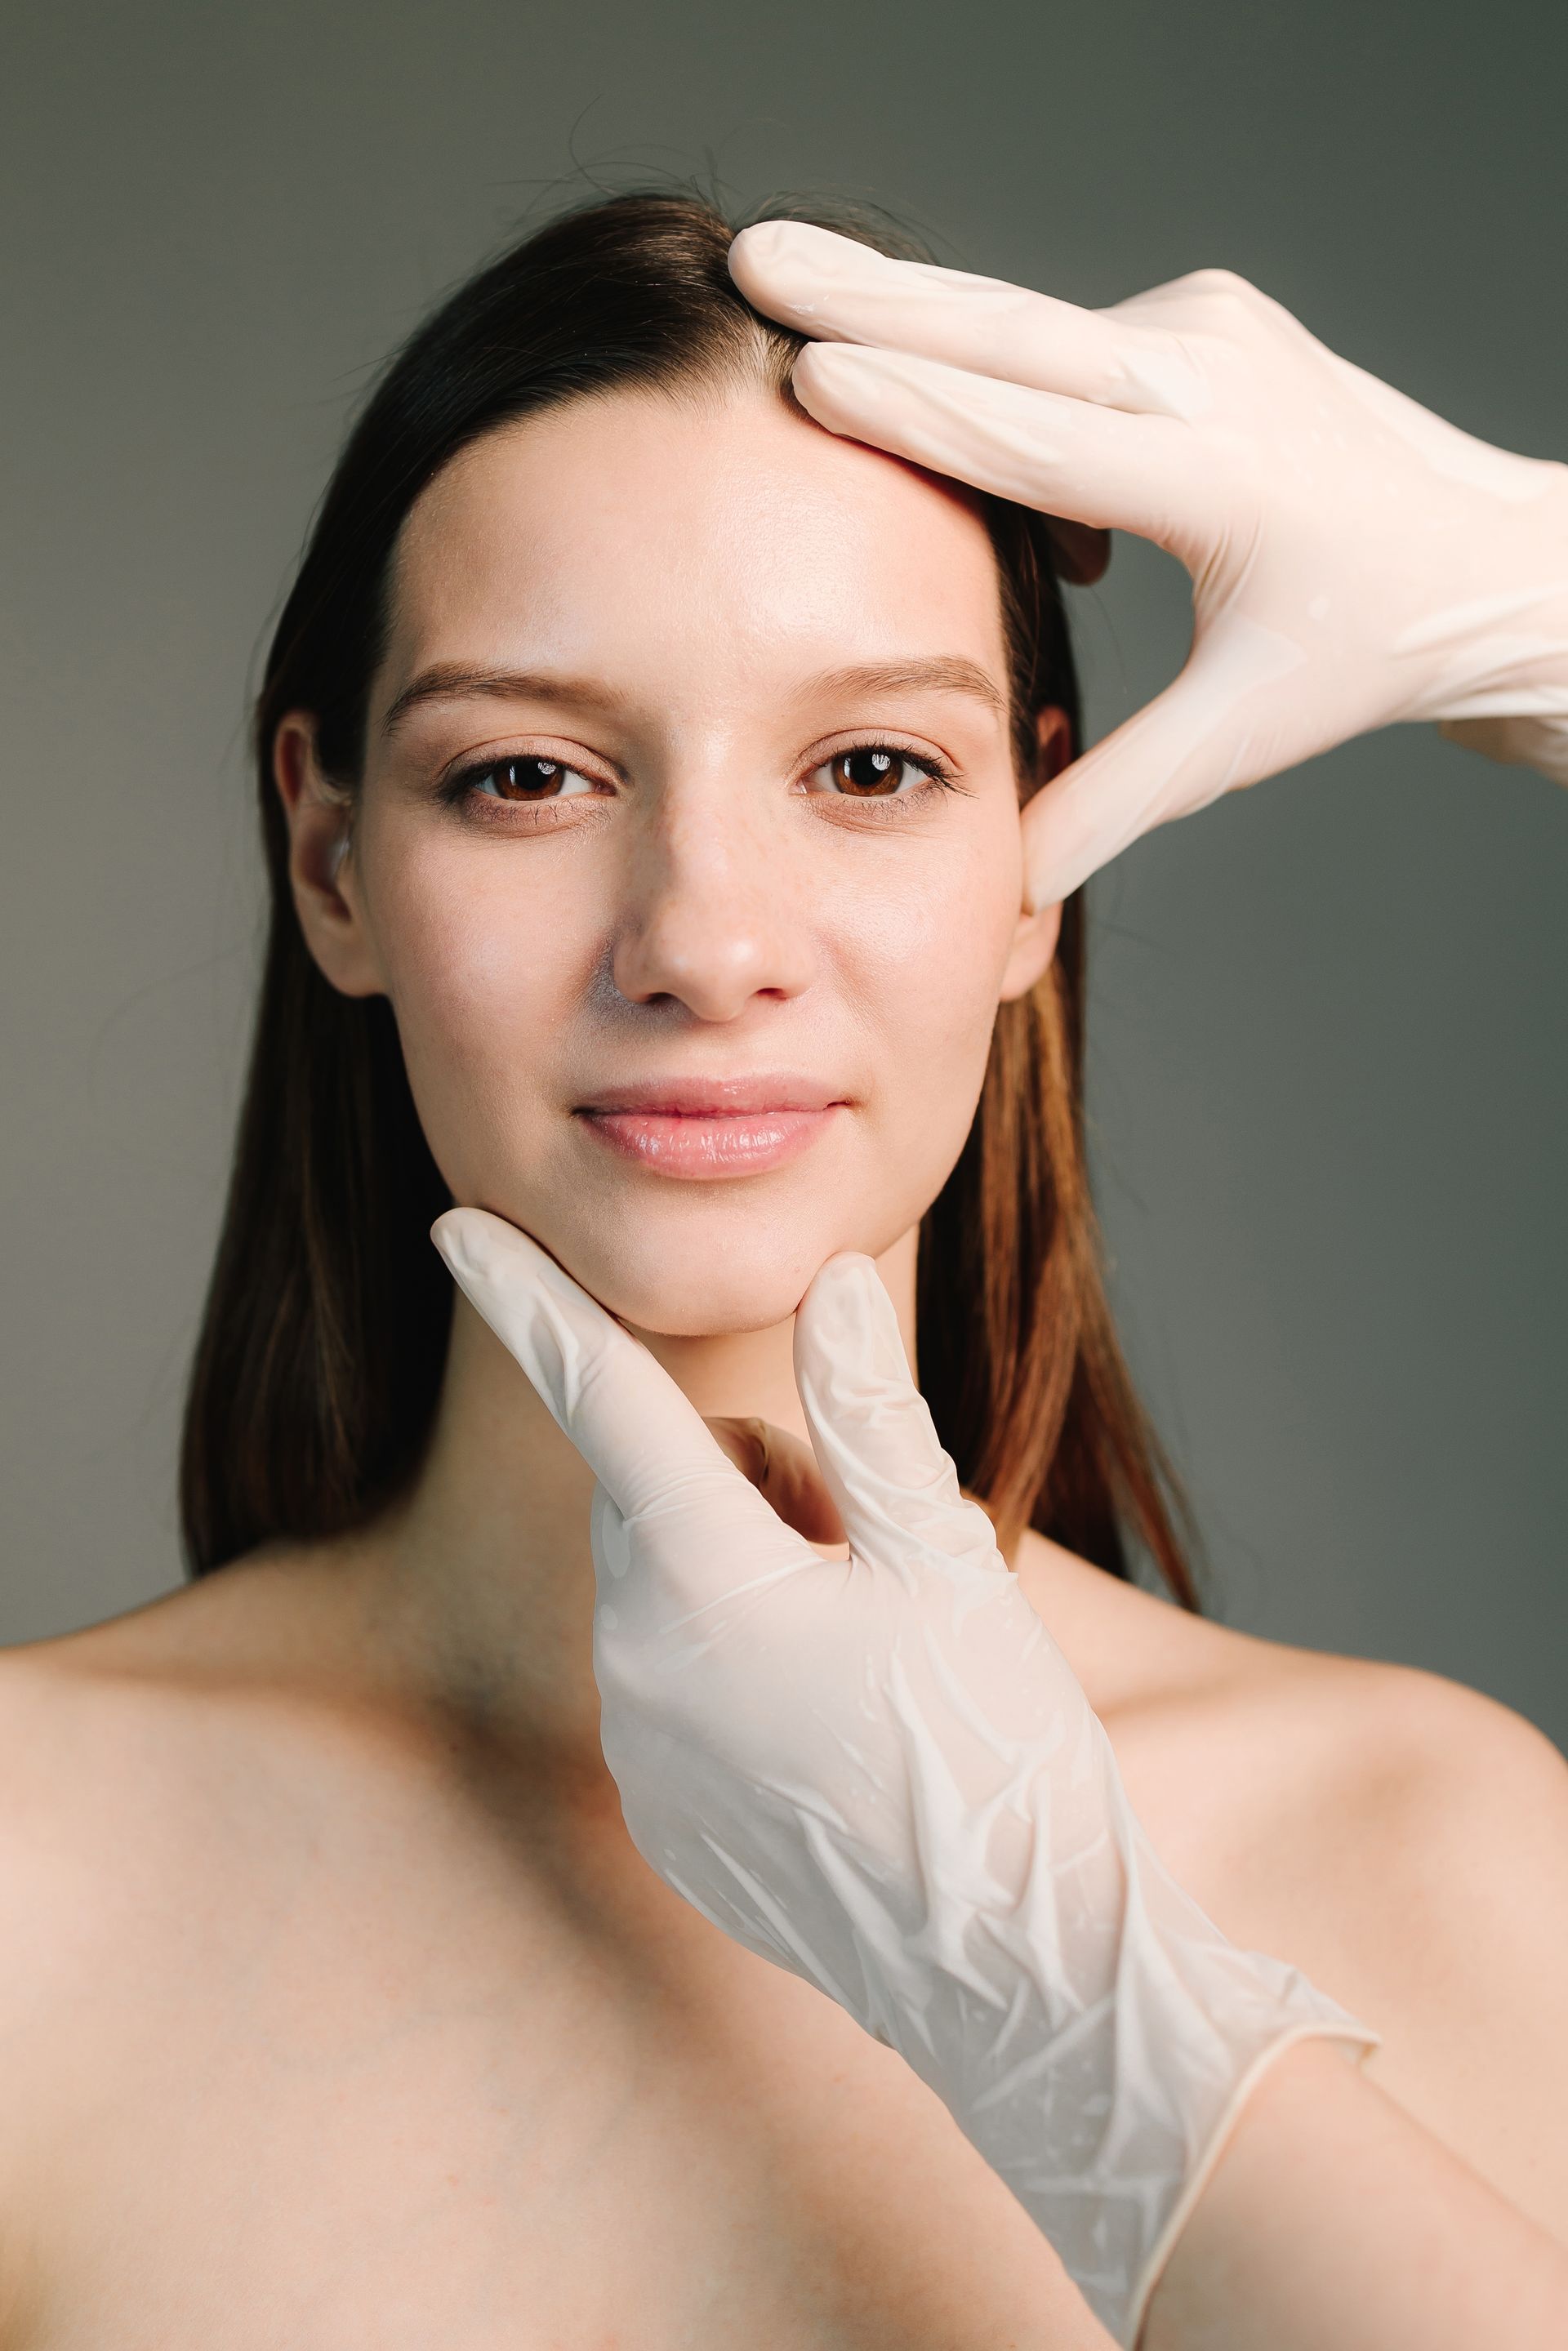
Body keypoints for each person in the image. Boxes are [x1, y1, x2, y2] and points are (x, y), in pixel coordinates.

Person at [0, 189, 1563, 2349]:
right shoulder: (29, 1877)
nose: (706, 943)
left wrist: (1545, 599)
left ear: (1043, 850)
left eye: (871, 767)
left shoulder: (1451, 1857)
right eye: (529, 774)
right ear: (330, 854)